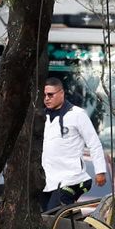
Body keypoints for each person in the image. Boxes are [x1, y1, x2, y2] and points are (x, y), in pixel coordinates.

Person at [41, 77, 107, 211]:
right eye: (45, 95)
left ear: (61, 93)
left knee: (53, 212)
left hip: (71, 178)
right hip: (47, 179)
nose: (47, 98)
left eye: (50, 95)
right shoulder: (42, 117)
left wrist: (100, 171)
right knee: (44, 216)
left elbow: (94, 143)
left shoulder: (77, 115)